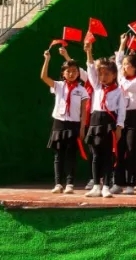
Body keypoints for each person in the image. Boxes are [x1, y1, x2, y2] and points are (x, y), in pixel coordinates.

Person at [41, 44, 90, 194]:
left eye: (74, 71)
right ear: (63, 73)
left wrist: (82, 127)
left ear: (78, 73)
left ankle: (70, 184)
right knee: (58, 155)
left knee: (71, 155)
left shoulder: (81, 89)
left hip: (74, 124)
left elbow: (84, 110)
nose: (71, 73)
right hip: (59, 123)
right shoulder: (58, 86)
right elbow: (43, 77)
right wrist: (47, 59)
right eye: (68, 71)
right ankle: (58, 184)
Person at [82, 40, 126, 199]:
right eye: (101, 74)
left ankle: (106, 186)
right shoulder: (97, 86)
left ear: (114, 75)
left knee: (108, 156)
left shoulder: (118, 91)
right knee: (95, 156)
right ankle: (96, 185)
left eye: (107, 74)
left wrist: (119, 127)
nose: (103, 77)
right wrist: (89, 52)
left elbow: (122, 110)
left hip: (109, 123)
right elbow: (90, 69)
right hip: (95, 121)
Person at [113, 36, 136, 195]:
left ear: (134, 67)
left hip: (133, 116)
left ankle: (131, 183)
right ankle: (118, 182)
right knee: (118, 149)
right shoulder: (121, 77)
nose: (124, 67)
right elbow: (118, 61)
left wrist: (120, 74)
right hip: (120, 115)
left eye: (128, 65)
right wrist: (122, 44)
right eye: (124, 64)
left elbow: (124, 85)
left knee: (131, 148)